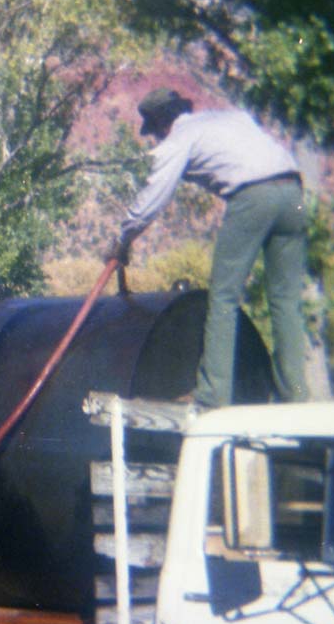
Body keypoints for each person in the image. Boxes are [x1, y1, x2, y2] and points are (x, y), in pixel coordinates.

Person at [117, 87, 309, 409]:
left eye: (154, 131)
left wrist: (122, 240)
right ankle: (296, 395)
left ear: (162, 123)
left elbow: (152, 201)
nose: (156, 138)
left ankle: (213, 396)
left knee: (223, 297)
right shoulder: (231, 119)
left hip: (252, 196)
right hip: (293, 191)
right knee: (286, 300)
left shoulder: (179, 138)